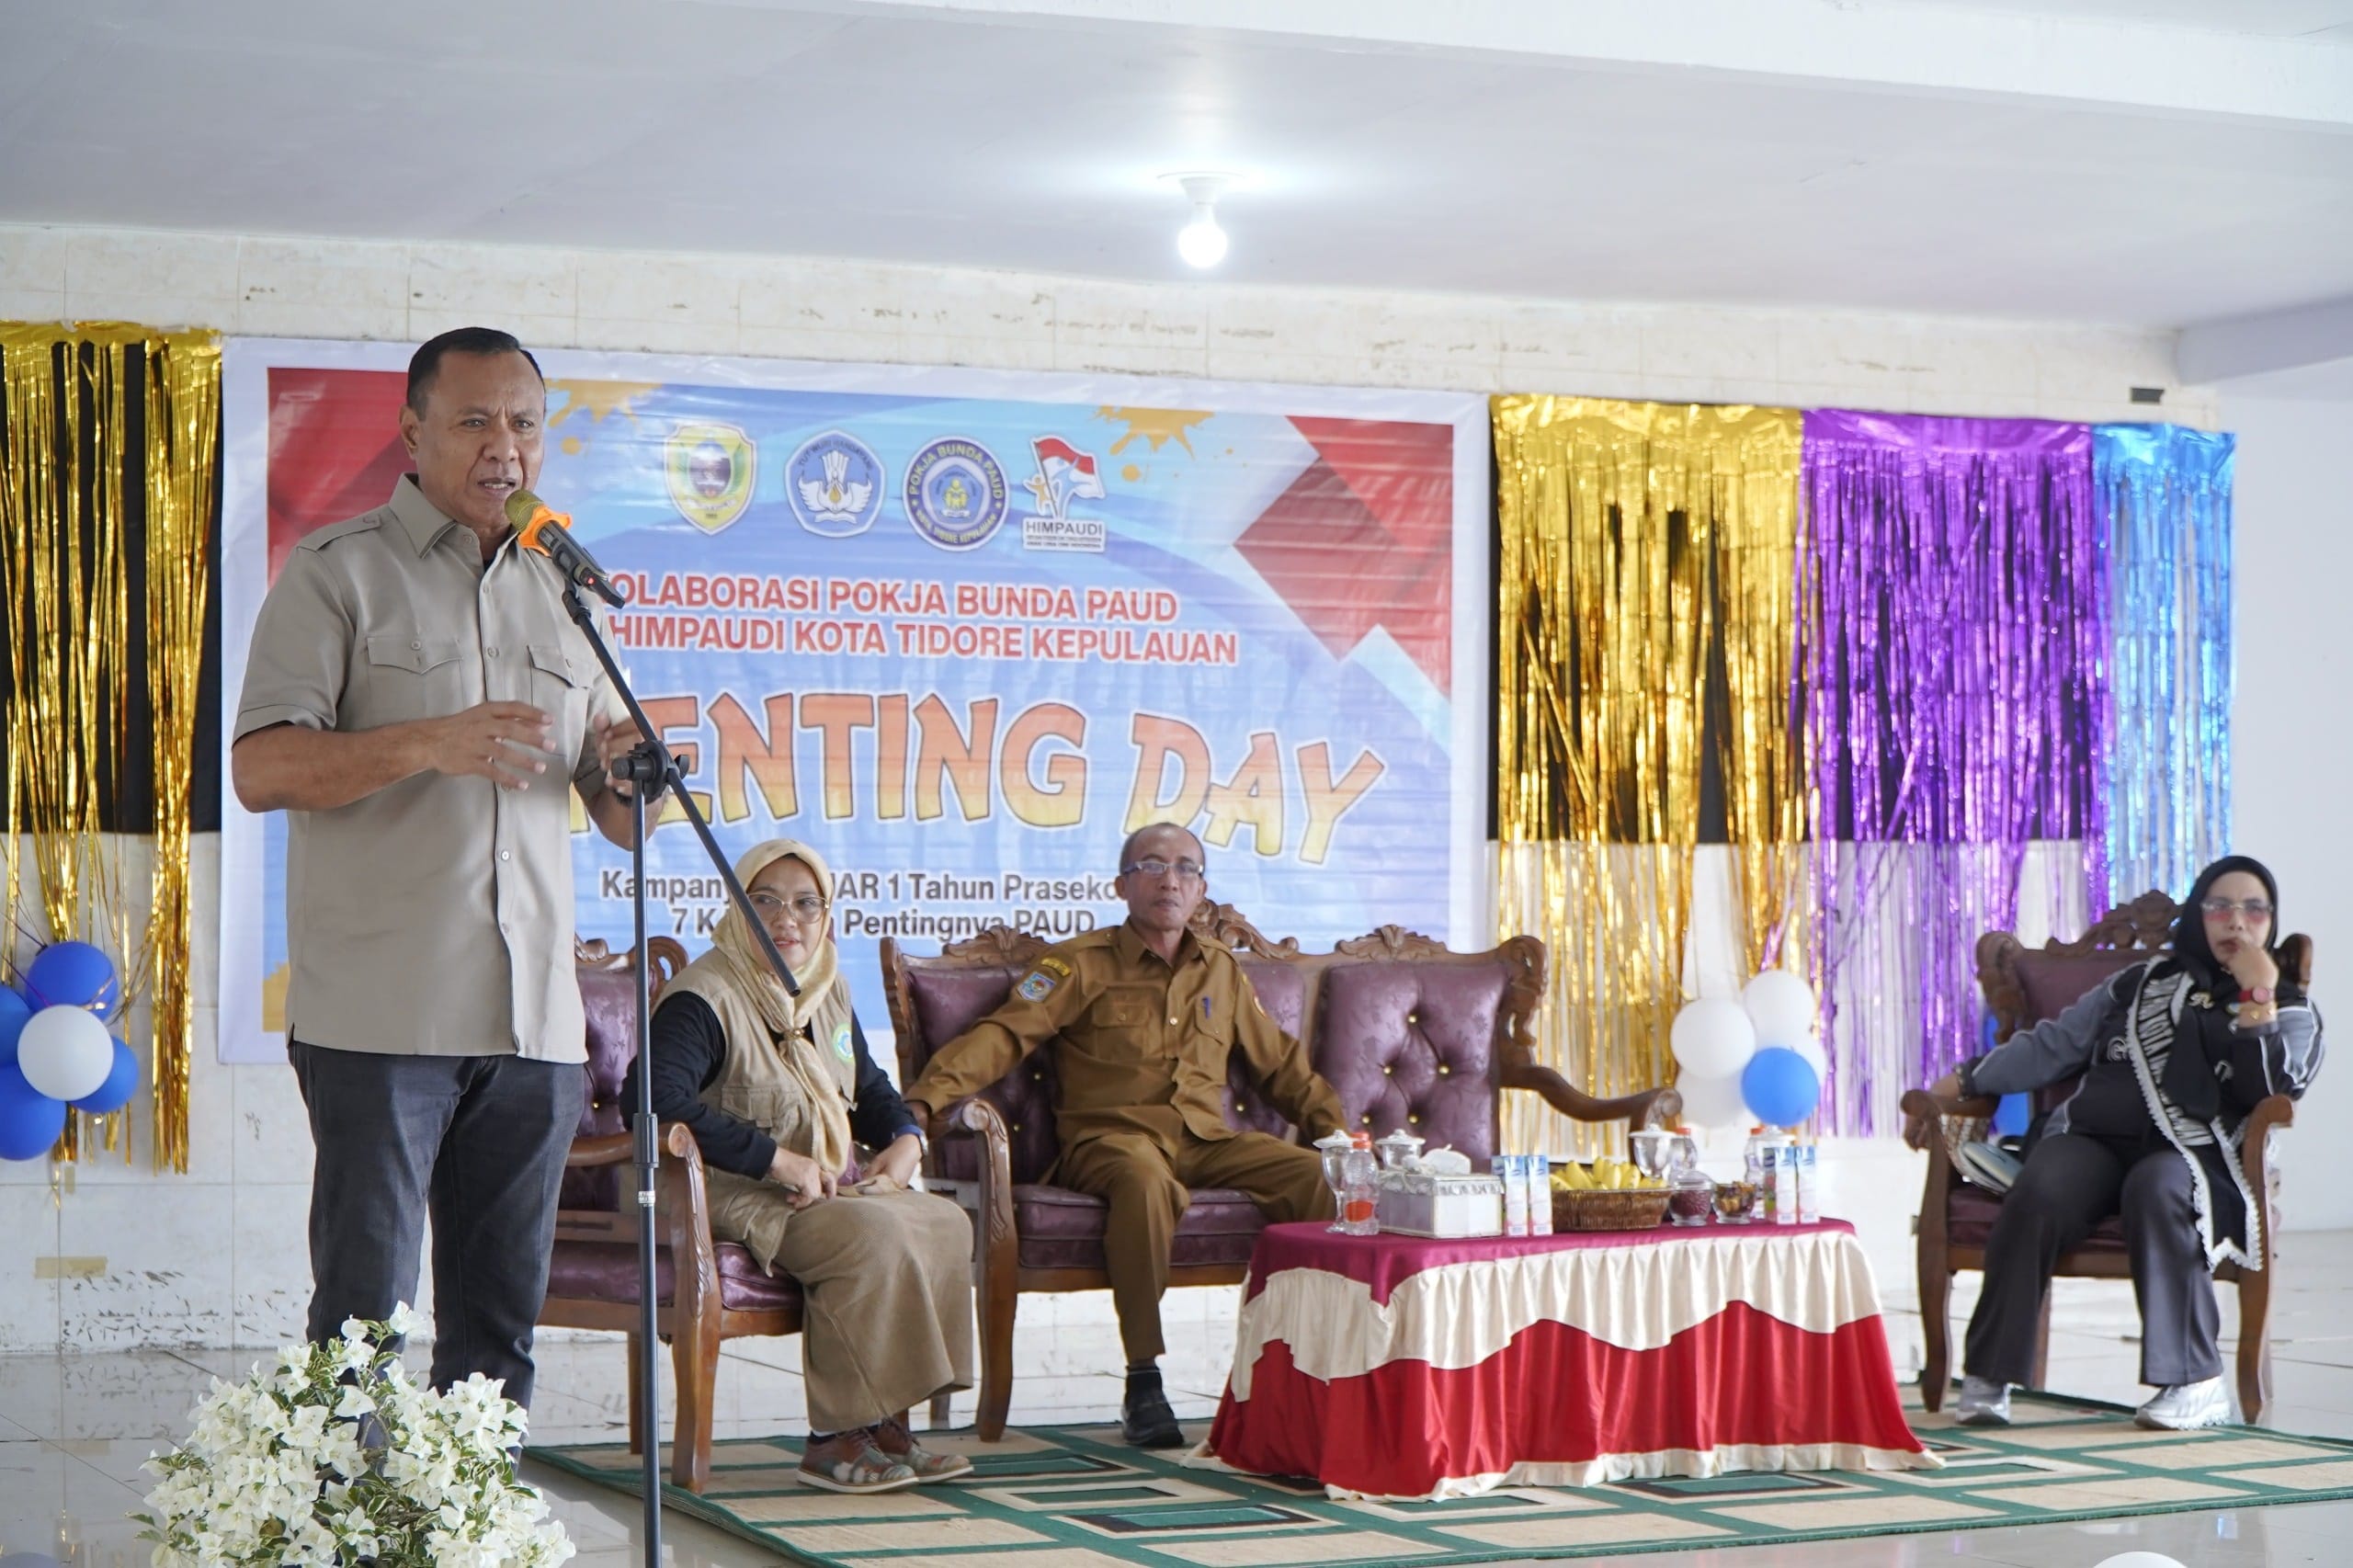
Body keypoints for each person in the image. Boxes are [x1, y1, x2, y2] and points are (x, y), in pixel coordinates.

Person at [232, 327, 648, 1409]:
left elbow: (614, 815)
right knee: (363, 1316)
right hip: (383, 1017)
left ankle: (477, 1532)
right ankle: (354, 1531)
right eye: (474, 420)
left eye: (523, 423)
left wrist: (625, 778)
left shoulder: (567, 588)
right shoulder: (338, 572)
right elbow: (262, 767)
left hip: (534, 1027)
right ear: (412, 431)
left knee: (500, 1324)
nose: (503, 446)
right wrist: (425, 740)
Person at [903, 822, 1347, 1449]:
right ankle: (1144, 1379)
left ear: (1202, 890)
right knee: (1144, 1182)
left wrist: (1340, 1139)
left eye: (1186, 869)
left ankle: (1305, 1366)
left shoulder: (1218, 968)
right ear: (1122, 884)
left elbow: (1279, 1066)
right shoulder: (1078, 964)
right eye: (1153, 865)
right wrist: (924, 1103)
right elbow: (1002, 1037)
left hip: (1203, 1142)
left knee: (1313, 1177)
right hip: (1111, 1142)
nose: (1171, 879)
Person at [1904, 857, 2324, 1431]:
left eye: (2254, 909)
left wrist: (2256, 997)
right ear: (2199, 915)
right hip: (2095, 1137)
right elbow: (2052, 1045)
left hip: (2194, 1154)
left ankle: (2194, 1382)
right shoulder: (2140, 982)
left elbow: (2271, 1092)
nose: (2236, 921)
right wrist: (1963, 1080)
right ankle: (1990, 1373)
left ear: (2271, 922)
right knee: (2042, 1185)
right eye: (2220, 906)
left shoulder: (2291, 1006)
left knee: (2157, 1187)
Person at [624, 838, 975, 1494]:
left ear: (827, 917)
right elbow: (649, 1100)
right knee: (871, 1235)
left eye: (805, 904)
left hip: (820, 1190)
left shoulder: (827, 991)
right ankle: (832, 1441)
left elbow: (868, 1089)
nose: (787, 919)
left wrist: (905, 1138)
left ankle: (886, 1425)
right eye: (766, 901)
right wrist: (775, 1160)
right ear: (738, 908)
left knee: (943, 1221)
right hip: (733, 1193)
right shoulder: (704, 996)